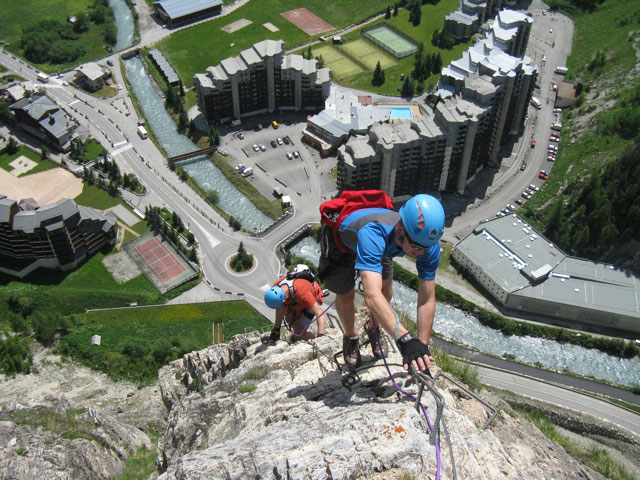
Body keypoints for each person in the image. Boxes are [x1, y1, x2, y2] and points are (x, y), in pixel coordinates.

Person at [318, 193, 445, 375]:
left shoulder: (426, 243)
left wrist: (419, 350)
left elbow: (426, 299)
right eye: (417, 247)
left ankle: (374, 329)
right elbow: (371, 296)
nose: (422, 252)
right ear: (400, 230)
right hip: (343, 246)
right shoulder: (374, 233)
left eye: (426, 247)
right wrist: (405, 339)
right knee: (346, 294)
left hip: (385, 246)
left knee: (386, 292)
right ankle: (350, 336)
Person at [264, 269, 327, 343]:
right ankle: (297, 334)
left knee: (299, 335)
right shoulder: (276, 287)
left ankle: (314, 338)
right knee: (289, 320)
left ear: (284, 301)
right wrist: (276, 330)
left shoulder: (301, 292)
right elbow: (280, 308)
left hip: (311, 298)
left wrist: (321, 337)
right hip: (294, 300)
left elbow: (320, 312)